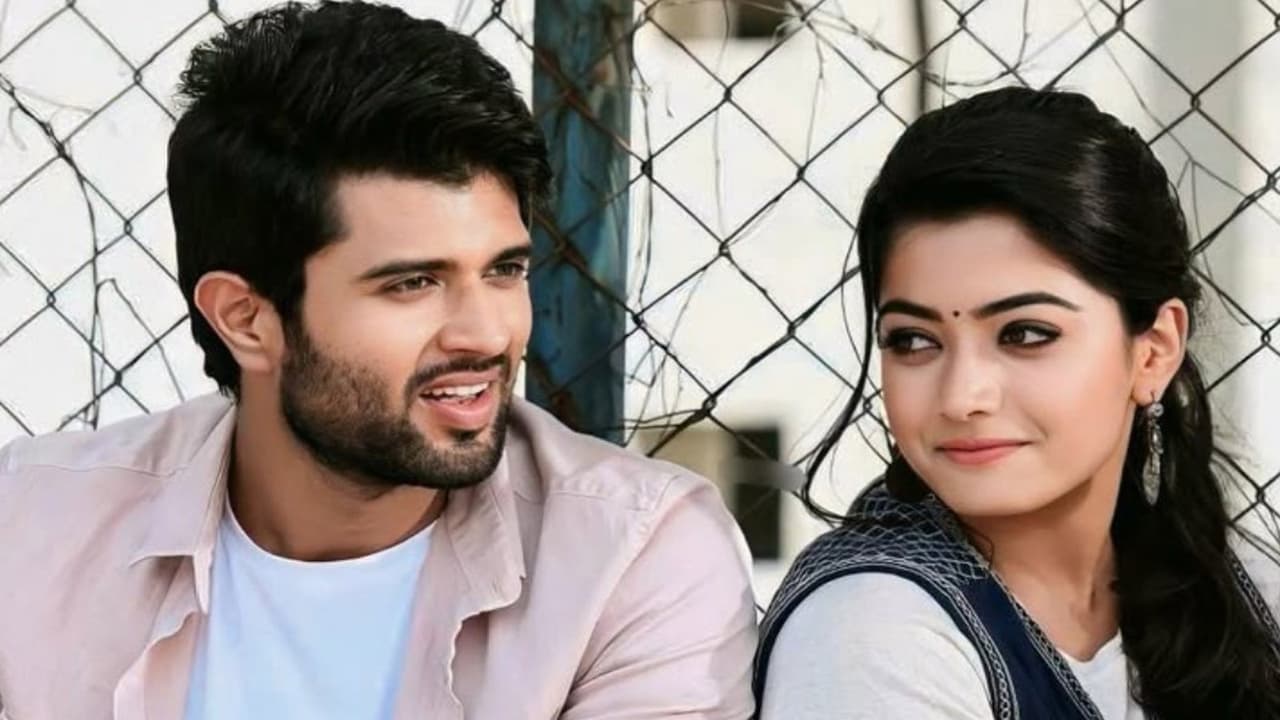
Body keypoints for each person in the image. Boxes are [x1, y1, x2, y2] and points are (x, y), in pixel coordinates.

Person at [0, 3, 757, 718]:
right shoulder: (30, 530)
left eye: (504, 270)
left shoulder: (629, 560)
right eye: (413, 283)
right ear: (246, 318)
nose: (485, 333)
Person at [754, 86, 1280, 719]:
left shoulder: (1234, 589)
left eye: (1025, 334)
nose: (961, 397)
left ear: (1153, 352)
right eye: (914, 340)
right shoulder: (872, 633)